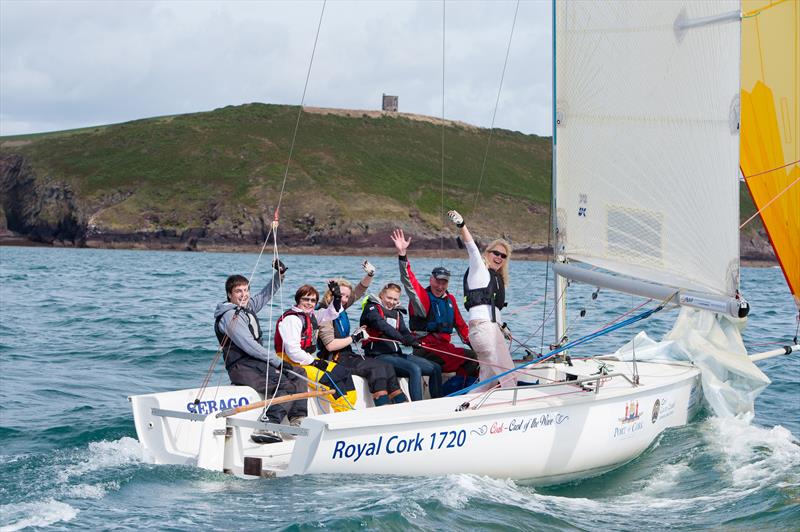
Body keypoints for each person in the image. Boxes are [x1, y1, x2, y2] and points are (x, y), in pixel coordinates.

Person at [214, 259, 298, 445]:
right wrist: (277, 361)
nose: (244, 295)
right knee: (285, 386)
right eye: (238, 291)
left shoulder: (247, 307)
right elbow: (250, 346)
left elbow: (266, 295)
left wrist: (280, 275)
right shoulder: (230, 316)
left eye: (246, 290)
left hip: (256, 365)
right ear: (229, 294)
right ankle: (267, 426)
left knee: (298, 372)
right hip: (242, 368)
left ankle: (298, 421)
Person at [391, 229, 479, 389]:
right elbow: (409, 282)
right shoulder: (423, 299)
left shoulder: (450, 299)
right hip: (425, 348)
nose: (440, 286)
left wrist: (477, 345)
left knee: (475, 357)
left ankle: (459, 391)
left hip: (445, 348)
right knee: (470, 360)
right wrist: (402, 254)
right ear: (431, 280)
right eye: (437, 281)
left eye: (444, 282)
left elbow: (461, 327)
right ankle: (450, 394)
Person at [317, 261, 408, 406]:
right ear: (332, 294)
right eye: (341, 295)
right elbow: (330, 346)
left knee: (387, 367)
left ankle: (401, 405)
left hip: (347, 354)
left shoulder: (341, 307)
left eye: (347, 296)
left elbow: (359, 290)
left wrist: (370, 274)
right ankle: (382, 408)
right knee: (376, 369)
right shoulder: (325, 314)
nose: (345, 299)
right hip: (334, 358)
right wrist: (355, 337)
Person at [448, 209, 516, 389]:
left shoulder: (496, 277)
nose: (499, 257)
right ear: (488, 253)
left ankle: (468, 409)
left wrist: (503, 328)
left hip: (484, 331)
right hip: (485, 331)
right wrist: (461, 225)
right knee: (509, 377)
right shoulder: (479, 269)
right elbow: (471, 247)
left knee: (488, 381)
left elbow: (493, 310)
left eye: (503, 256)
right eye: (496, 253)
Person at [274, 282, 357, 415]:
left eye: (313, 300)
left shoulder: (312, 315)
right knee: (330, 380)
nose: (309, 303)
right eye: (305, 299)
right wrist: (314, 362)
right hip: (291, 362)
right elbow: (293, 351)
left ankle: (349, 408)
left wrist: (337, 297)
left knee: (343, 372)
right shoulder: (292, 319)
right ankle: (342, 412)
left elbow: (332, 313)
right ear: (298, 300)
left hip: (307, 360)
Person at [360, 283, 443, 401]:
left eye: (395, 299)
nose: (391, 302)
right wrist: (402, 339)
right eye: (389, 298)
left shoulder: (397, 313)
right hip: (378, 356)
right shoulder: (371, 309)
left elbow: (404, 331)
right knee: (414, 369)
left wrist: (412, 340)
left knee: (435, 368)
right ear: (382, 295)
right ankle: (417, 406)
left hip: (396, 355)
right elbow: (382, 326)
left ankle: (438, 401)